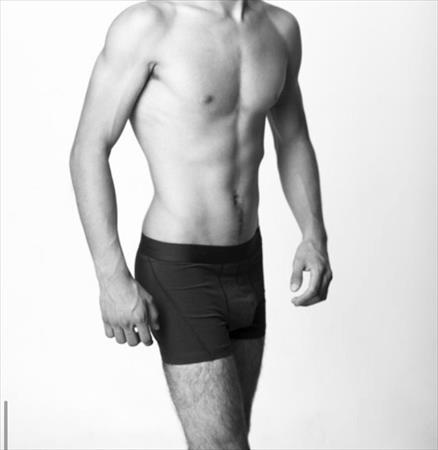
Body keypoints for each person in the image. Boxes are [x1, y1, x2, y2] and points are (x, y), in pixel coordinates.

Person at [69, 0, 333, 448]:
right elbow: (88, 148)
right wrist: (111, 277)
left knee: (231, 439)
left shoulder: (280, 28)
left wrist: (314, 234)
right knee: (222, 445)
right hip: (179, 267)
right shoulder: (149, 25)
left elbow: (292, 138)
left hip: (247, 262)